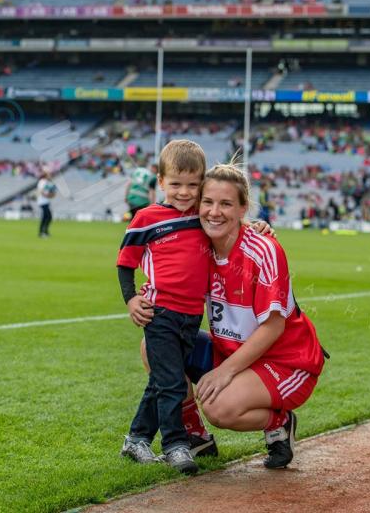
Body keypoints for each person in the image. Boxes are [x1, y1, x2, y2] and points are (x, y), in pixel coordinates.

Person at [187, 163, 325, 468]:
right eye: (207, 202)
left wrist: (224, 373)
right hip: (233, 352)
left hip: (286, 362)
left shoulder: (263, 250)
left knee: (219, 407)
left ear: (242, 208)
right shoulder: (198, 248)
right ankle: (196, 436)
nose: (214, 212)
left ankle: (279, 423)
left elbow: (274, 326)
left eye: (226, 204)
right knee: (156, 346)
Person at [117, 140, 209, 474]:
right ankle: (176, 445)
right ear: (160, 182)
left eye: (192, 184)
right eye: (175, 184)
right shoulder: (146, 218)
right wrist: (130, 299)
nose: (184, 192)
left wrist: (258, 226)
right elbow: (125, 263)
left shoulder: (204, 217)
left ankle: (136, 439)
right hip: (159, 313)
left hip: (191, 314)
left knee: (162, 380)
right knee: (173, 382)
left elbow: (235, 227)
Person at [36, 171, 56, 238]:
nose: (50, 176)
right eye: (49, 175)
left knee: (47, 217)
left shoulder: (47, 182)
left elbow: (51, 191)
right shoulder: (42, 181)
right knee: (47, 217)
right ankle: (42, 232)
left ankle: (44, 231)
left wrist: (52, 194)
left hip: (46, 202)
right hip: (42, 202)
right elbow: (41, 191)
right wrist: (48, 196)